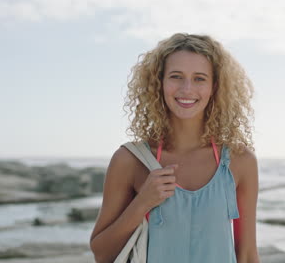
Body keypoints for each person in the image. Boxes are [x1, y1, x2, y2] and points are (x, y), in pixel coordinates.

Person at [90, 33, 259, 263]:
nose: (187, 88)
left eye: (199, 78)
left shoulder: (240, 161)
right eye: (176, 76)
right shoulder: (130, 160)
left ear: (214, 87)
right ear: (160, 82)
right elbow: (101, 253)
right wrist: (142, 203)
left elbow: (247, 255)